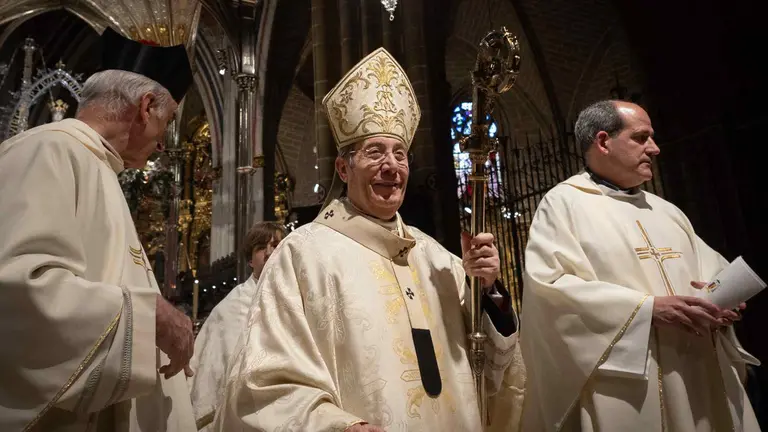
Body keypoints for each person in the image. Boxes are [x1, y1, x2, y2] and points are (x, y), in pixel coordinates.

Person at [213, 48, 522, 431]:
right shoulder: (302, 255)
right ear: (343, 168)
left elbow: (491, 372)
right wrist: (338, 426)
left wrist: (488, 291)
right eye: (375, 152)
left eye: (400, 155)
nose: (391, 166)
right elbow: (264, 379)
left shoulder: (438, 258)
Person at [520, 99, 760, 431]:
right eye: (641, 137)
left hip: (701, 370)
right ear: (603, 142)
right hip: (631, 382)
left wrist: (724, 300)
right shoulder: (564, 204)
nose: (655, 148)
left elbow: (710, 270)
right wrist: (646, 310)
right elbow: (550, 287)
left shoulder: (666, 210)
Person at [0, 28, 196, 431]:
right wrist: (151, 318)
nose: (164, 143)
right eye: (169, 121)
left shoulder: (95, 166)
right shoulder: (48, 150)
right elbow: (18, 292)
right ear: (145, 107)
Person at [189, 221, 286, 431]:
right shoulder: (232, 307)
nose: (269, 252)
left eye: (276, 245)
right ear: (250, 260)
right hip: (241, 411)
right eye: (261, 248)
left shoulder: (299, 296)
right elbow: (217, 367)